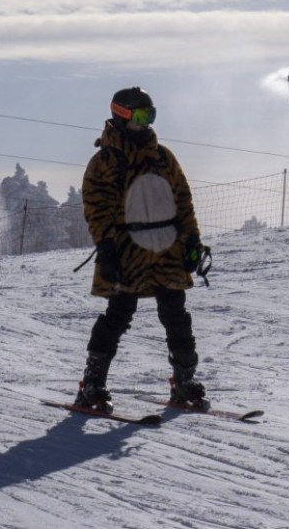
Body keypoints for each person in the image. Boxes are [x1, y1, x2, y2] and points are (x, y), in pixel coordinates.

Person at [75, 86, 209, 414]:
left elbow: (182, 200)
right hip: (126, 249)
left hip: (167, 248)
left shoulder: (162, 157)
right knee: (119, 315)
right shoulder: (105, 160)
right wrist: (106, 248)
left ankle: (184, 381)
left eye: (150, 116)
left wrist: (192, 241)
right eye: (140, 116)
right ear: (121, 116)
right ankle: (92, 384)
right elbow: (97, 207)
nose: (146, 123)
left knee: (176, 315)